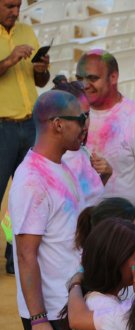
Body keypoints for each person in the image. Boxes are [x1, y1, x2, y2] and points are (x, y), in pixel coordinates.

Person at [8, 90, 92, 330]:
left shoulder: (60, 166)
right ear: (57, 124)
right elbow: (26, 255)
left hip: (71, 301)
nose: (85, 126)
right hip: (52, 311)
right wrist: (39, 320)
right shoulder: (31, 180)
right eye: (81, 119)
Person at [76, 49, 135, 212]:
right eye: (79, 79)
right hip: (83, 223)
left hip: (124, 226)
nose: (84, 85)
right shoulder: (72, 115)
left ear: (113, 77)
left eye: (93, 78)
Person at [0, 0, 50, 274]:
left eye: (18, 6)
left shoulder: (26, 31)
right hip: (1, 127)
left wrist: (41, 70)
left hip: (29, 123)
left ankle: (15, 259)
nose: (15, 11)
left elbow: (38, 82)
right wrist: (9, 60)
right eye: (9, 5)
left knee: (27, 197)